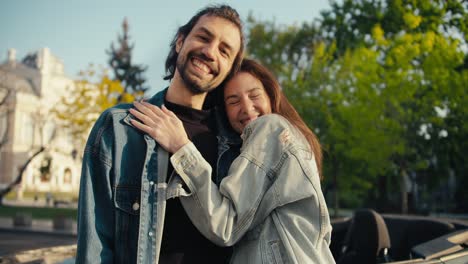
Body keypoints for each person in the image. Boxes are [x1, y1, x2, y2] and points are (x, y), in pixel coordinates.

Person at [76, 4, 245, 264]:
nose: (210, 52)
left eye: (224, 51)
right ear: (180, 41)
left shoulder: (237, 144)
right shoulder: (119, 129)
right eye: (203, 37)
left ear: (229, 71)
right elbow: (95, 249)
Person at [130, 58, 336, 263]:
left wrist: (181, 148)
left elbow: (226, 224)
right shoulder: (289, 138)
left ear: (272, 97)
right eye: (234, 101)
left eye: (254, 96)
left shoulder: (271, 128)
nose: (247, 108)